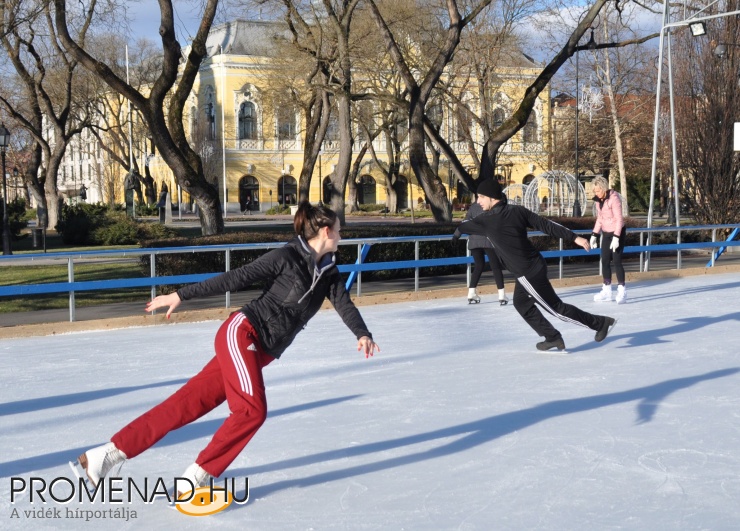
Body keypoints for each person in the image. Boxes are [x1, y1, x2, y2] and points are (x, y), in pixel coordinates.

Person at [75, 201, 380, 496]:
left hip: (259, 352)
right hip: (242, 334)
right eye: (339, 230)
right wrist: (181, 295)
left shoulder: (329, 272)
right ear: (326, 231)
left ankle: (105, 456)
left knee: (186, 405)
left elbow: (344, 303)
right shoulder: (286, 257)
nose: (342, 236)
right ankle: (196, 477)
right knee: (251, 411)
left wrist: (361, 333)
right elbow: (235, 278)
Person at [451, 178, 616, 352]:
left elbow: (464, 226)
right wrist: (574, 237)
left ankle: (600, 323)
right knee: (521, 303)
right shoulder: (517, 211)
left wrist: (456, 233)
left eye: (481, 197)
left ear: (492, 197)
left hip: (527, 273)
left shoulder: (487, 220)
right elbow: (547, 225)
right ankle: (553, 338)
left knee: (557, 309)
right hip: (534, 264)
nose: (478, 201)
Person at [461, 199, 509, 305]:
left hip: (473, 241)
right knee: (495, 267)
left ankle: (471, 292)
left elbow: (465, 222)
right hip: (488, 241)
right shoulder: (490, 206)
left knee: (478, 266)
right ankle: (501, 294)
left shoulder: (473, 207)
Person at [590, 176, 626, 304]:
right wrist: (594, 234)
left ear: (604, 189)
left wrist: (616, 237)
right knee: (604, 260)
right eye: (594, 191)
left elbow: (619, 219)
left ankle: (621, 290)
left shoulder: (614, 199)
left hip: (617, 232)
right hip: (606, 233)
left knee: (616, 261)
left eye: (598, 190)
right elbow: (600, 219)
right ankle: (607, 290)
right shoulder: (598, 201)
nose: (596, 193)